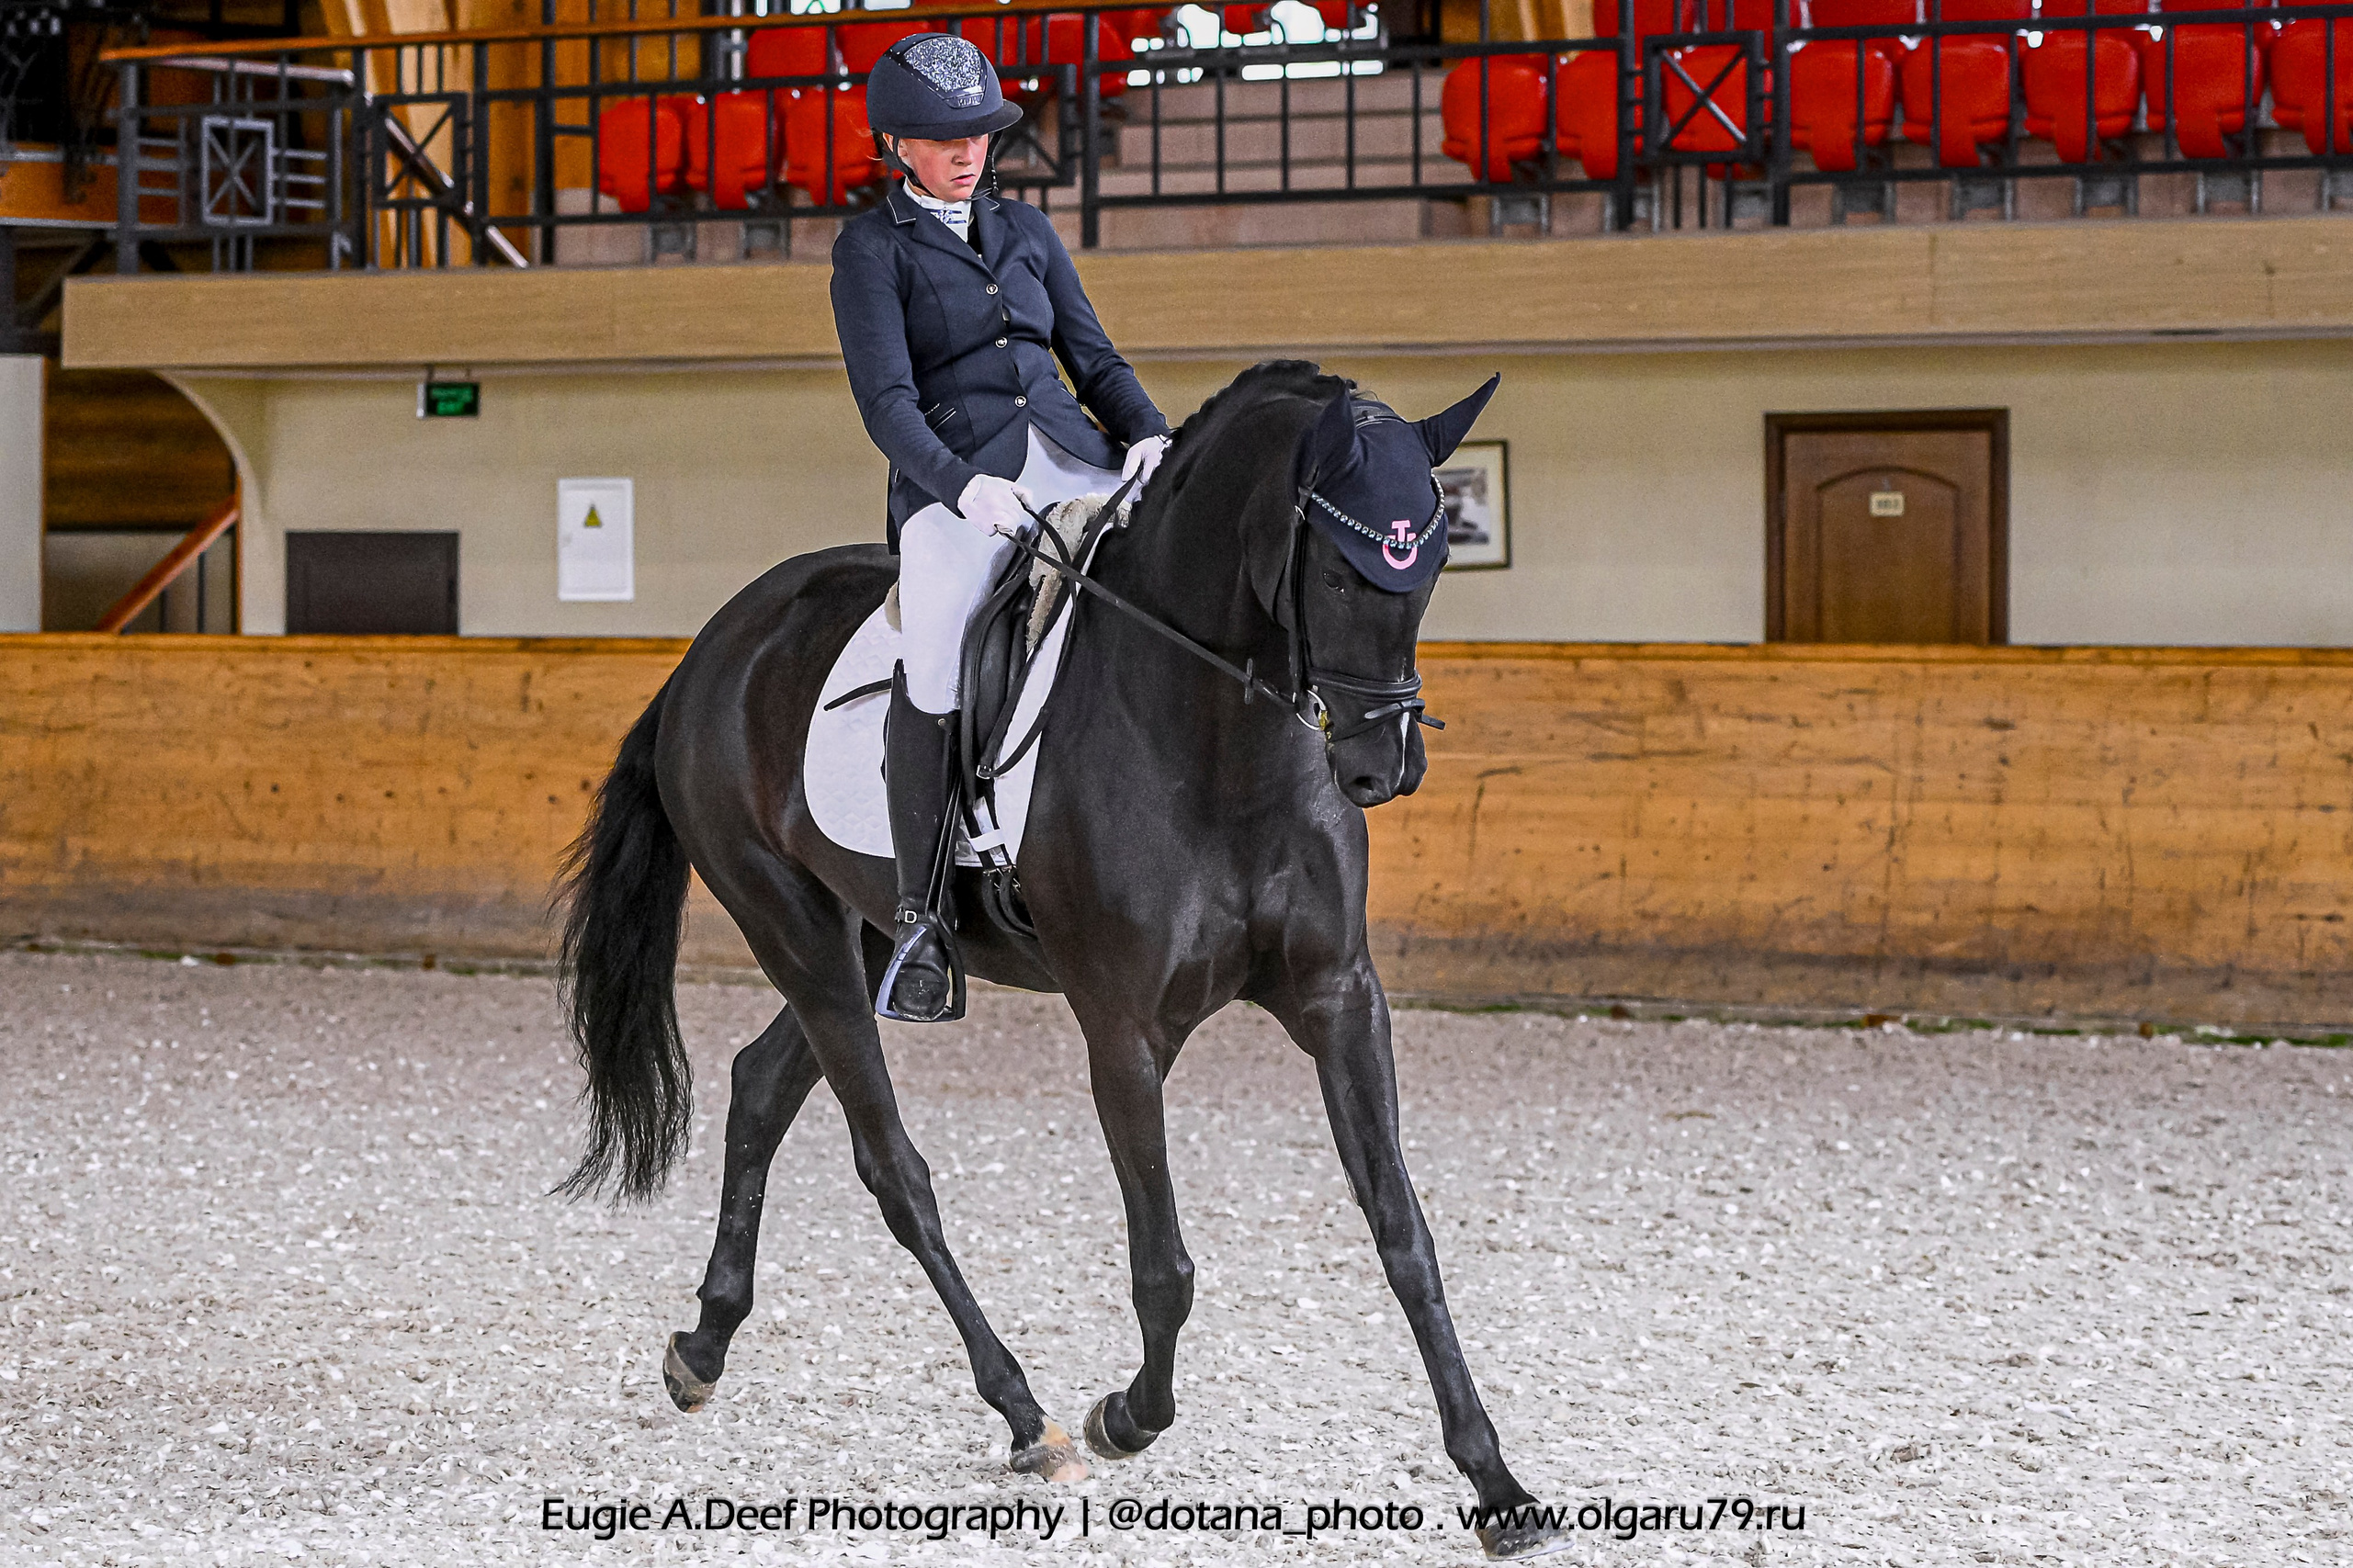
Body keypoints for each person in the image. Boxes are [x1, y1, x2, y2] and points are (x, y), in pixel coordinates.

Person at [831, 32, 1171, 1023]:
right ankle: (921, 917)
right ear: (897, 142)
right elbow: (886, 403)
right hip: (957, 489)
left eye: (978, 133)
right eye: (944, 140)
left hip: (1078, 458)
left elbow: (1092, 358)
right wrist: (955, 488)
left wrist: (1148, 434)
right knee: (934, 652)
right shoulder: (872, 249)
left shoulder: (1026, 229)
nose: (967, 152)